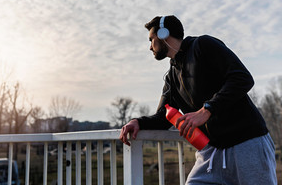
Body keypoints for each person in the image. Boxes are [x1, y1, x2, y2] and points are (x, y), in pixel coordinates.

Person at [119, 15, 277, 184]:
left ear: (164, 34)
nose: (150, 47)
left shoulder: (203, 45)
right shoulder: (172, 77)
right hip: (212, 153)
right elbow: (163, 117)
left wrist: (207, 110)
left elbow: (242, 78)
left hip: (247, 143)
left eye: (151, 39)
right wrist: (138, 122)